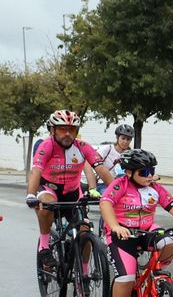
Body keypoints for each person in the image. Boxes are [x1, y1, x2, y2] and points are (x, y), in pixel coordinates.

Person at [99, 149, 173, 297]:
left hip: (145, 229)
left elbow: (172, 204)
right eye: (143, 172)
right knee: (126, 276)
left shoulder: (155, 187)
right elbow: (105, 204)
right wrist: (115, 226)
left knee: (169, 241)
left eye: (151, 170)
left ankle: (156, 276)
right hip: (122, 235)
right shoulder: (120, 185)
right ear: (129, 172)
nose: (149, 175)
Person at [26, 110, 115, 269]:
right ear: (53, 130)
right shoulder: (46, 146)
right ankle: (44, 247)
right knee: (47, 203)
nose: (67, 134)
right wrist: (31, 195)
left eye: (72, 130)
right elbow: (36, 171)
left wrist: (118, 192)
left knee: (85, 231)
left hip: (72, 192)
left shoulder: (82, 147)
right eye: (62, 129)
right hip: (49, 188)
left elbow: (101, 169)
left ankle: (85, 272)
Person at [95, 124, 134, 189]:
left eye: (128, 139)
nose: (125, 141)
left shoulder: (130, 154)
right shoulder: (108, 148)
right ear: (117, 137)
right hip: (104, 184)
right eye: (123, 138)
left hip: (123, 185)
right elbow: (93, 161)